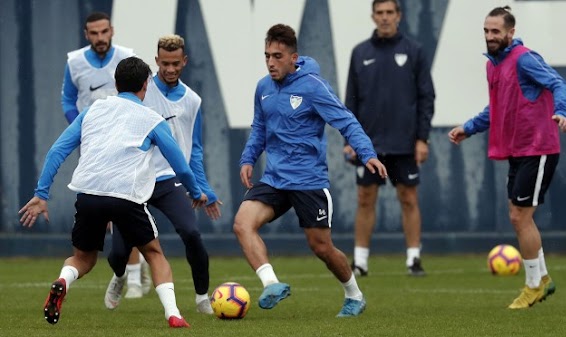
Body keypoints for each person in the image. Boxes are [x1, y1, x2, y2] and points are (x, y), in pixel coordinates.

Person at [19, 57, 206, 327]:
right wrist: (195, 191)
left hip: (88, 195)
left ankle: (63, 280)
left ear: (116, 84)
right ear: (146, 84)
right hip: (126, 197)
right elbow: (180, 165)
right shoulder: (152, 119)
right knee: (154, 254)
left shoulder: (92, 110)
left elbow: (58, 150)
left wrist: (42, 193)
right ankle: (173, 313)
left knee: (83, 258)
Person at [232, 24, 388, 318]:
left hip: (308, 180)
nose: (270, 63)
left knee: (321, 247)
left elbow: (346, 121)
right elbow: (259, 128)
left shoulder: (313, 86)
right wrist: (248, 158)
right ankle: (272, 284)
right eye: (266, 56)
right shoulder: (263, 88)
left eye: (277, 56)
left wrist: (367, 153)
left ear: (294, 58)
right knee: (242, 223)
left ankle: (354, 295)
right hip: (275, 178)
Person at [448, 6, 566, 309]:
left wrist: (563, 111)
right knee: (517, 216)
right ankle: (542, 279)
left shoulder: (525, 59)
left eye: (495, 32)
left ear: (510, 33)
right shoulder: (493, 64)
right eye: (486, 31)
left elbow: (558, 84)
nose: (490, 37)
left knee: (519, 216)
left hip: (539, 147)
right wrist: (469, 127)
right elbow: (497, 107)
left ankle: (533, 285)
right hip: (518, 150)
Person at [104, 34, 222, 314]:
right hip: (133, 182)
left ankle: (202, 297)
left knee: (192, 233)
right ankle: (120, 275)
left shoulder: (193, 101)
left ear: (185, 62)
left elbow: (194, 151)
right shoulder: (139, 92)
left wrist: (204, 189)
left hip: (169, 180)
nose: (170, 69)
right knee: (119, 253)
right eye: (164, 63)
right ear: (156, 61)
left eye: (175, 63)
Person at [61, 11, 151, 295]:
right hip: (95, 143)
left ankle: (134, 277)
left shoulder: (126, 57)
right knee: (109, 209)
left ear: (111, 30)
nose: (100, 38)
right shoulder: (74, 62)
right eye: (94, 33)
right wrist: (82, 127)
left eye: (104, 32)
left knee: (125, 204)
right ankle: (129, 272)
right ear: (86, 35)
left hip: (125, 143)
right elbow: (66, 99)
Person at [344, 0, 435, 277]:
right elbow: (351, 100)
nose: (384, 18)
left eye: (389, 13)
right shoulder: (360, 52)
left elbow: (426, 97)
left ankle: (413, 259)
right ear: (373, 16)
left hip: (404, 141)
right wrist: (349, 138)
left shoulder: (414, 51)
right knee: (364, 198)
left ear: (399, 16)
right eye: (380, 13)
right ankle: (360, 261)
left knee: (408, 197)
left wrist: (422, 138)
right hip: (367, 143)